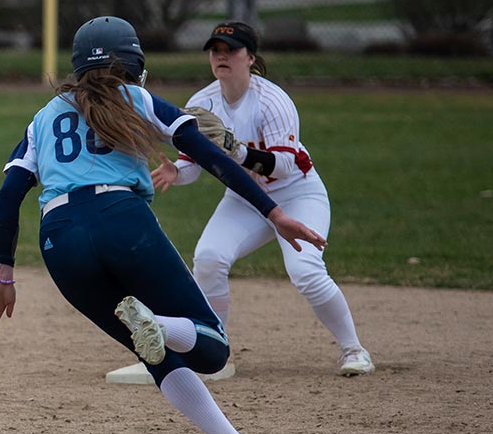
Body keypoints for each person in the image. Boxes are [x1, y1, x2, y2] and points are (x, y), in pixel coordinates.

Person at [0, 16, 327, 434]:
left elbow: (9, 195)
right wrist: (273, 211)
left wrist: (3, 276)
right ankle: (159, 322)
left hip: (59, 240)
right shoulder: (136, 97)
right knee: (213, 348)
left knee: (156, 353)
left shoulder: (44, 116)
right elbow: (208, 153)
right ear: (133, 63)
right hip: (120, 221)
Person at [152, 21, 374, 377]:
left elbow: (285, 165)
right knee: (208, 258)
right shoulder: (201, 103)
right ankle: (215, 352)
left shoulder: (272, 101)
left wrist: (237, 151)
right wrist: (176, 173)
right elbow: (193, 165)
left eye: (231, 50)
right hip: (245, 199)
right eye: (215, 50)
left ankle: (354, 350)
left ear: (250, 57)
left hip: (298, 194)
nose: (221, 56)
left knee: (305, 271)